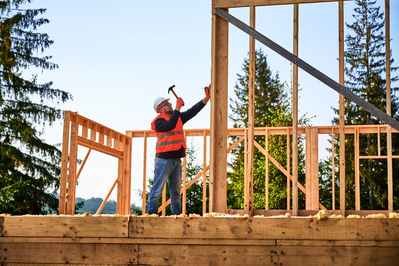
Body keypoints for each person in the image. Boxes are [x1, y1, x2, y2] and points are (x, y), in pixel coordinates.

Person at [147, 86, 211, 215]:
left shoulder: (178, 117)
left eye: (170, 103)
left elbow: (193, 111)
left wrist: (206, 98)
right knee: (157, 192)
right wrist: (177, 107)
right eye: (167, 104)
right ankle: (150, 217)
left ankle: (178, 217)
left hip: (176, 160)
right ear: (160, 110)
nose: (170, 105)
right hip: (164, 160)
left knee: (176, 193)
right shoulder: (158, 121)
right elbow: (169, 125)